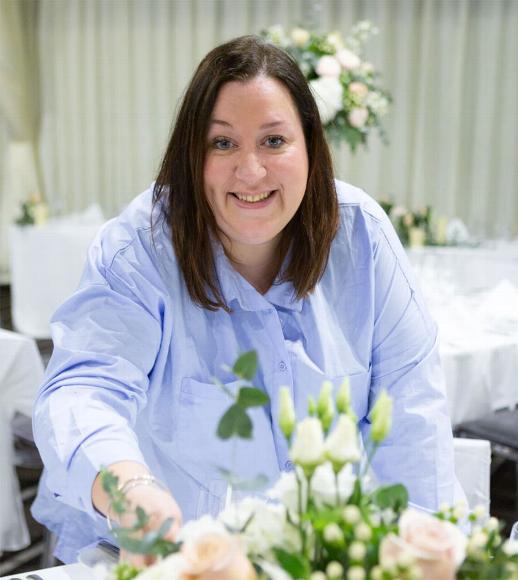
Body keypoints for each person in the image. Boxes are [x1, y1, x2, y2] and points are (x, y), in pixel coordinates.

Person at [32, 35, 459, 565]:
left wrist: (422, 558)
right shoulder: (139, 248)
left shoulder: (361, 237)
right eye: (223, 144)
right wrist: (131, 491)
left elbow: (413, 417)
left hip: (319, 561)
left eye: (274, 141)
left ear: (311, 146)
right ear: (192, 154)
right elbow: (82, 390)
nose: (251, 172)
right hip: (161, 560)